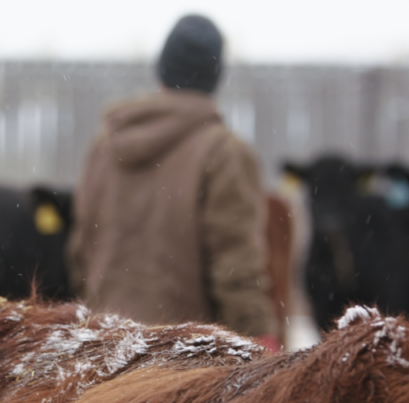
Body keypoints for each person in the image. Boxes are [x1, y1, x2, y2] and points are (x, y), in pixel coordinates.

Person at [66, 14, 281, 351]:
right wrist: (261, 342)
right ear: (215, 76)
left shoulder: (104, 146)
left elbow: (80, 254)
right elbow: (237, 270)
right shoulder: (224, 153)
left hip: (103, 358)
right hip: (183, 372)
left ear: (161, 68)